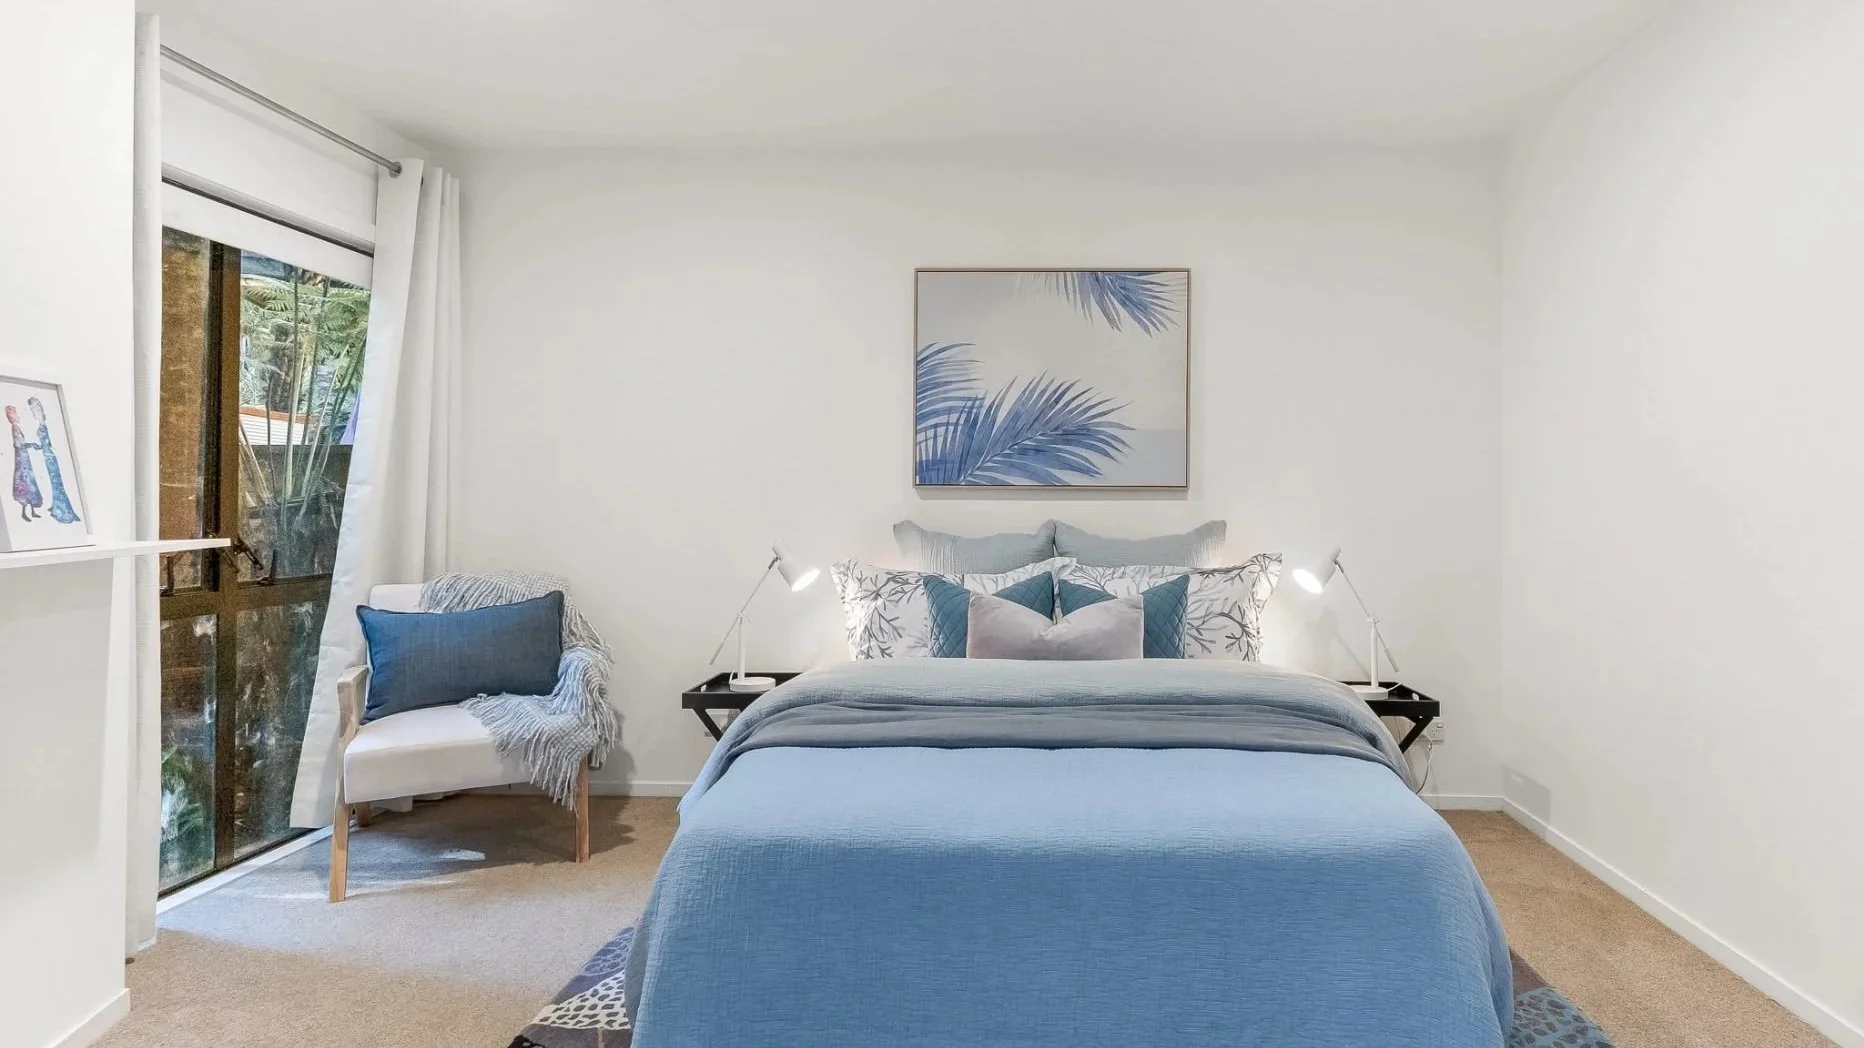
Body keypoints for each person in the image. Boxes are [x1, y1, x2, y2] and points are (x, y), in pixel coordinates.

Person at [27, 398, 79, 524]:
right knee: (55, 484)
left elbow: (49, 444)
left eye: (36, 409)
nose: (35, 412)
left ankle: (64, 511)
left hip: (50, 458)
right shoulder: (41, 425)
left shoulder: (43, 425)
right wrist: (36, 446)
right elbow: (46, 444)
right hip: (48, 457)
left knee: (56, 484)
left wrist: (40, 446)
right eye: (33, 410)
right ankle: (58, 506)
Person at [6, 404, 42, 523]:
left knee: (29, 482)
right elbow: (18, 444)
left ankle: (32, 511)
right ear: (12, 417)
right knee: (25, 483)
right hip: (22, 458)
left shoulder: (17, 427)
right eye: (14, 414)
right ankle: (25, 513)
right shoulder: (15, 428)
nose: (17, 416)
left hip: (24, 457)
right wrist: (31, 445)